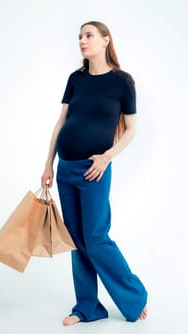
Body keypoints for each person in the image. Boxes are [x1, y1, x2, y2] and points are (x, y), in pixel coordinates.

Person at [41, 21, 148, 326]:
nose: (82, 41)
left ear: (105, 40)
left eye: (88, 35)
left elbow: (131, 130)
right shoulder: (76, 79)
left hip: (94, 170)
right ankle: (87, 307)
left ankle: (134, 296)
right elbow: (61, 122)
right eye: (79, 36)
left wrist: (107, 157)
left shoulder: (122, 82)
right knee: (77, 240)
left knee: (96, 237)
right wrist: (48, 163)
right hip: (65, 170)